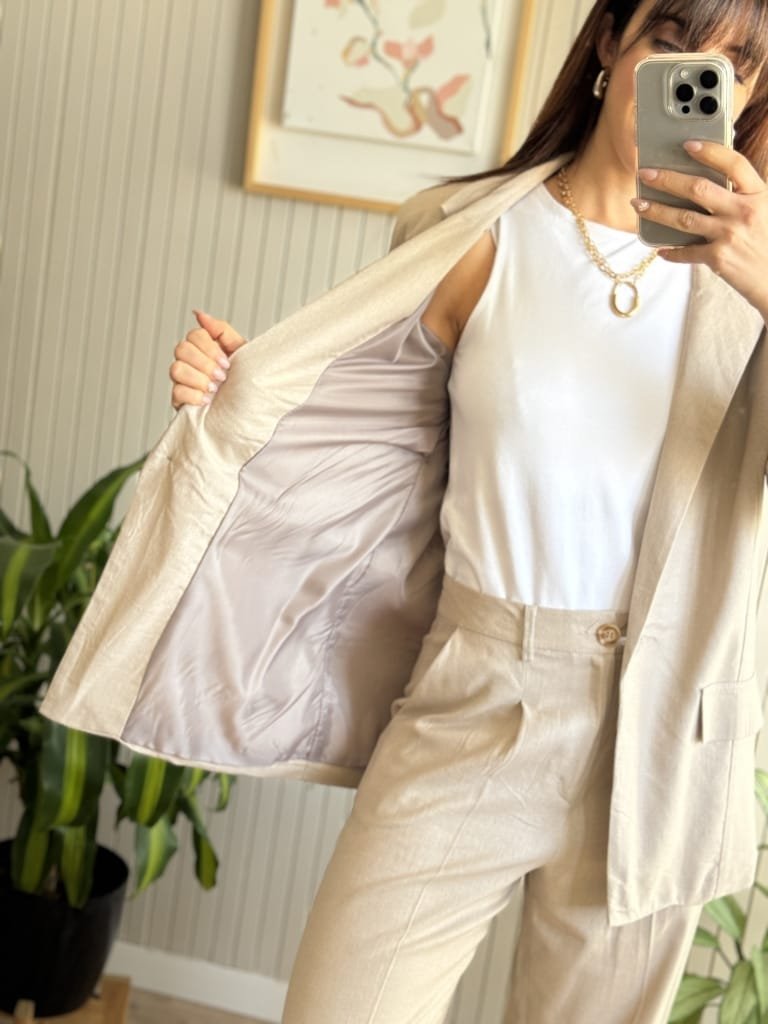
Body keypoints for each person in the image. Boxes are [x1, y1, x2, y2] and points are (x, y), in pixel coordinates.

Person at [67, 0, 768, 1021]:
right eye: (672, 42)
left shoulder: (749, 288)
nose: (696, 82)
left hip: (665, 731)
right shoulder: (477, 234)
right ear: (610, 39)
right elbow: (362, 421)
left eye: (736, 66)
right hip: (479, 692)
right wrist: (241, 390)